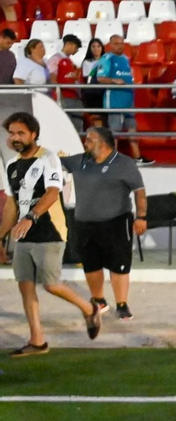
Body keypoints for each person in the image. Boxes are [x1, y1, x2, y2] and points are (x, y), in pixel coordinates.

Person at [3, 112, 101, 356]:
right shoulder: (12, 165)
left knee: (51, 284)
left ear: (33, 134)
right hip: (24, 235)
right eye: (12, 133)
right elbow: (11, 204)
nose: (15, 137)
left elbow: (52, 192)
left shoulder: (48, 158)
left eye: (20, 133)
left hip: (50, 230)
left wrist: (30, 217)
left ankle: (89, 309)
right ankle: (38, 340)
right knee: (25, 287)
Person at [61, 125, 147, 320]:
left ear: (104, 143)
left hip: (116, 222)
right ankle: (98, 300)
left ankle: (122, 304)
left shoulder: (124, 163)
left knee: (119, 265)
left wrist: (141, 216)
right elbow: (53, 163)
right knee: (91, 264)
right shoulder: (79, 160)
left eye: (90, 139)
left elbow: (139, 192)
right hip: (84, 223)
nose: (86, 142)